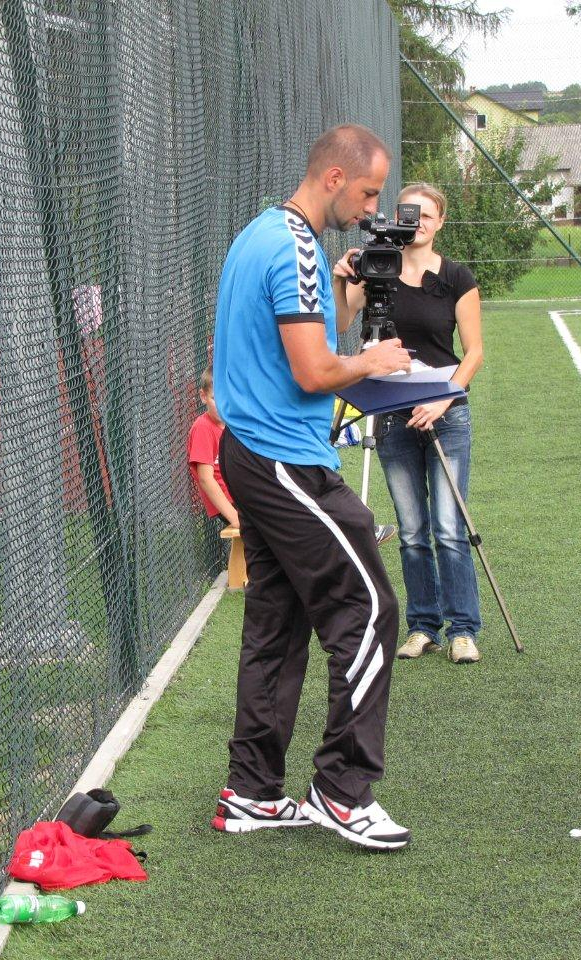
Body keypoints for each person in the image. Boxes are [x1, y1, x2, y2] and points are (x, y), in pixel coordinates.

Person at [209, 124, 414, 850]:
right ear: (333, 177)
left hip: (251, 452)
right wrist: (375, 361)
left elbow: (312, 338)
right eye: (368, 192)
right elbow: (314, 371)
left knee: (277, 623)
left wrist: (344, 293)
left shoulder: (264, 234)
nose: (371, 209)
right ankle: (341, 790)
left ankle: (252, 793)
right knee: (370, 608)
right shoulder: (295, 248)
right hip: (284, 460)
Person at [343, 182, 484, 665]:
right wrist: (343, 280)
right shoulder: (375, 269)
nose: (417, 223)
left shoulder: (457, 277)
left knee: (448, 526)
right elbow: (341, 321)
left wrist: (443, 401)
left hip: (445, 412)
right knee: (411, 530)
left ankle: (463, 629)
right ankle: (423, 626)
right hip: (394, 413)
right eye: (410, 214)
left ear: (440, 221)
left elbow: (474, 353)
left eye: (426, 215)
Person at [188, 368, 239, 529]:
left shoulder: (234, 424)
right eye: (215, 398)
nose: (222, 405)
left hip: (245, 494)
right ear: (203, 396)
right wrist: (235, 518)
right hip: (230, 503)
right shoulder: (202, 428)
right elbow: (205, 479)